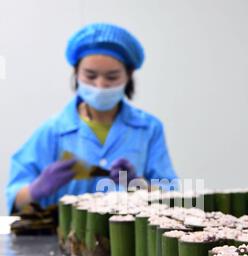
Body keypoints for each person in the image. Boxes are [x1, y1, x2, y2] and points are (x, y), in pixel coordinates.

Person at [6, 23, 178, 214]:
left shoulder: (148, 128)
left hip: (130, 240)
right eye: (90, 75)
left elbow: (172, 198)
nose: (100, 85)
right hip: (63, 239)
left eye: (112, 77)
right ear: (76, 73)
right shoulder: (53, 131)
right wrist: (36, 189)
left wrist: (139, 185)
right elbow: (15, 199)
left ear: (129, 76)